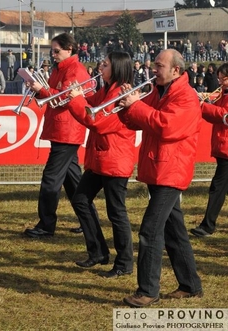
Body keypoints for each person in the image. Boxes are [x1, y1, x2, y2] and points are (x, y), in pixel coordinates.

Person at [118, 49, 202, 307]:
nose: (154, 70)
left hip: (171, 171)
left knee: (150, 230)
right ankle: (190, 285)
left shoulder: (186, 97)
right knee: (173, 231)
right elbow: (141, 121)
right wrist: (125, 106)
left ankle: (147, 290)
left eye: (159, 66)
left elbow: (166, 126)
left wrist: (137, 105)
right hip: (159, 168)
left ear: (176, 70)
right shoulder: (160, 91)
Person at [67, 51, 135, 278]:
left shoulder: (122, 94)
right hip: (101, 158)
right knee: (80, 199)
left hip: (115, 159)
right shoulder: (107, 90)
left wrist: (76, 99)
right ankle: (98, 251)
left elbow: (97, 122)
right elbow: (89, 106)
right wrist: (75, 95)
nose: (100, 68)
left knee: (117, 213)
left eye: (104, 65)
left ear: (116, 68)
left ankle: (124, 263)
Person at [24, 33, 92, 239]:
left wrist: (41, 90)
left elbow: (62, 98)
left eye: (56, 51)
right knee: (73, 182)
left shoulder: (74, 70)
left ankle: (46, 225)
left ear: (69, 49)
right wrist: (38, 91)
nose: (52, 55)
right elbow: (54, 95)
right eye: (52, 51)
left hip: (67, 131)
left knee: (51, 179)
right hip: (62, 129)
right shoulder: (61, 68)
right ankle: (88, 221)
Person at [190, 63, 228, 237]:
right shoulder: (223, 93)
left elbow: (223, 114)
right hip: (222, 146)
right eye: (219, 78)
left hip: (226, 148)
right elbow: (215, 113)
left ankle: (208, 226)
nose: (220, 82)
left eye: (223, 78)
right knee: (219, 187)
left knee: (217, 187)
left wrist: (202, 105)